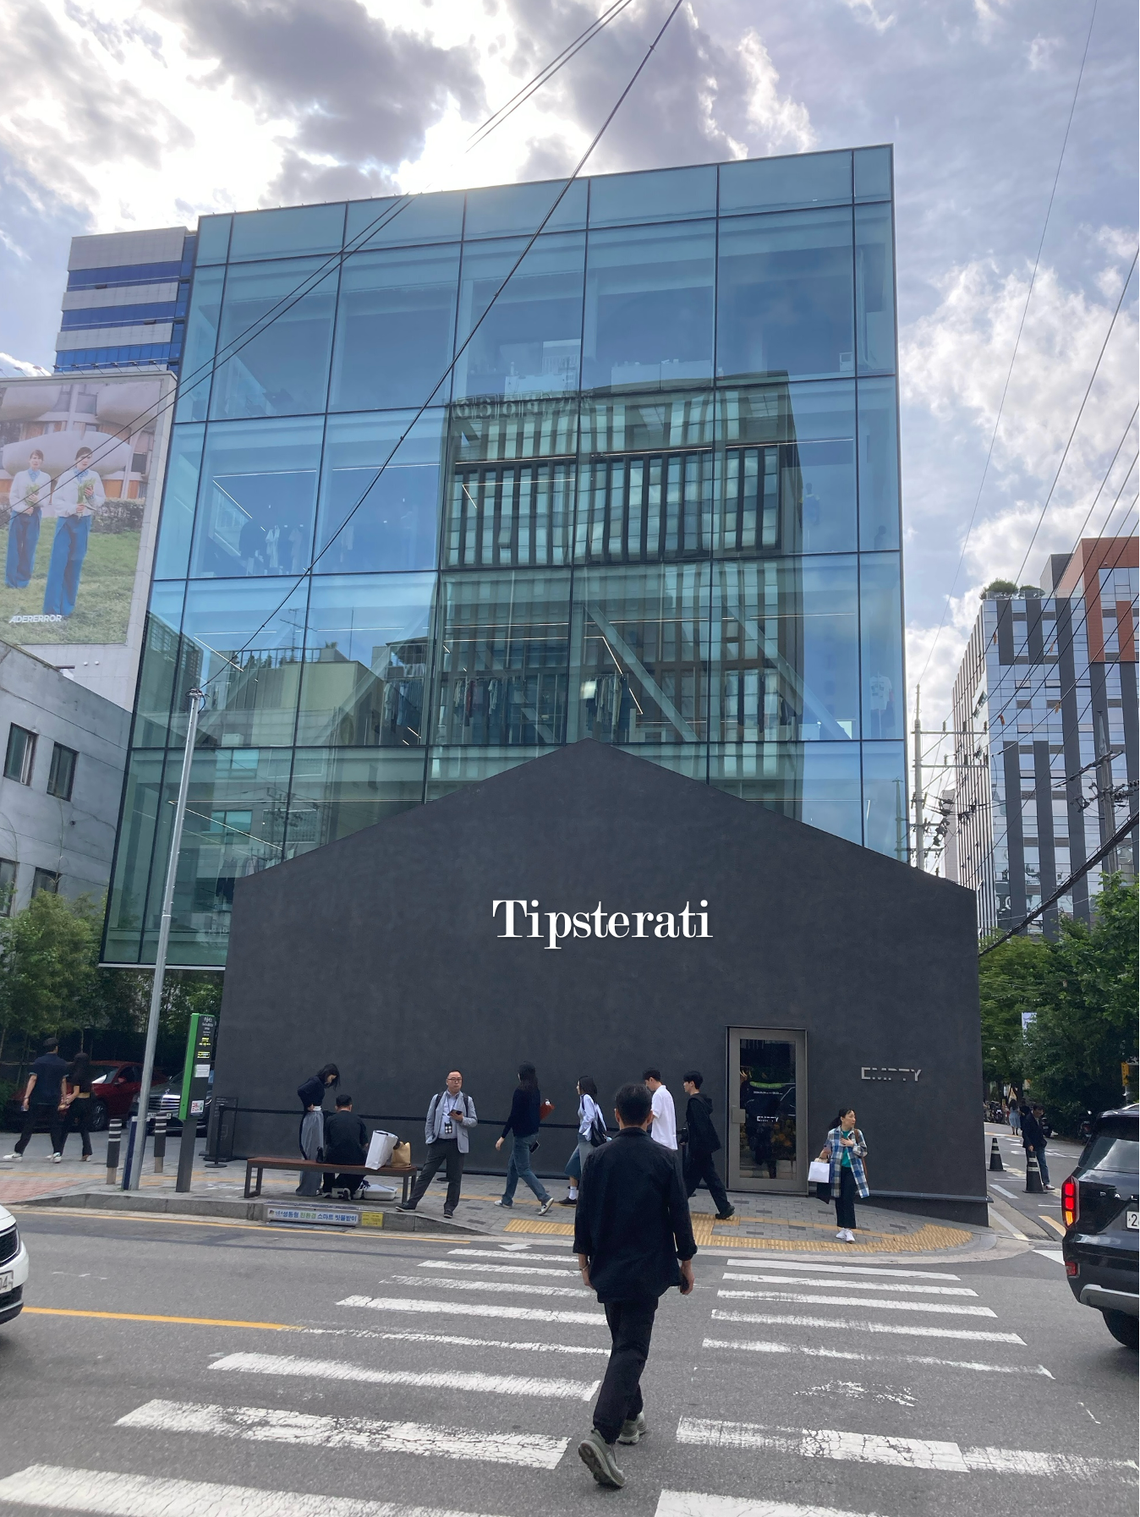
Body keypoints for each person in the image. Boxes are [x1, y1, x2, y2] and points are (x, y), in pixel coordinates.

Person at [573, 1081, 697, 1490]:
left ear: (615, 1114)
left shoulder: (599, 1158)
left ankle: (631, 1418)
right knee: (631, 1348)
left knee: (621, 1344)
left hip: (607, 1265)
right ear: (649, 1117)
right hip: (646, 1269)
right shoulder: (663, 1159)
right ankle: (602, 1434)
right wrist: (687, 1260)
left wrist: (583, 1258)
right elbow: (679, 1211)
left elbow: (585, 1210)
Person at [400, 1070, 477, 1218]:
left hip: (456, 1143)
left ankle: (449, 1208)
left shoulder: (467, 1100)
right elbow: (430, 1119)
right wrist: (430, 1138)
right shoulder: (438, 1098)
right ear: (446, 1081)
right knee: (426, 1173)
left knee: (455, 1178)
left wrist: (462, 1119)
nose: (456, 1082)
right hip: (439, 1142)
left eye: (459, 1079)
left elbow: (474, 1121)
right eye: (453, 1079)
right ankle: (412, 1202)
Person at [43, 445, 104, 618]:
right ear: (76, 459)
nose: (85, 460)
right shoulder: (66, 476)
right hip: (66, 522)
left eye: (88, 457)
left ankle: (66, 609)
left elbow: (99, 501)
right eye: (82, 457)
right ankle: (51, 610)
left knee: (75, 564)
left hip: (83, 522)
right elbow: (56, 500)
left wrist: (91, 496)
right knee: (58, 563)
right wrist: (71, 507)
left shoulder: (94, 477)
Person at [494, 1062, 554, 1214]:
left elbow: (513, 1116)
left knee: (523, 1169)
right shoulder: (535, 1091)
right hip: (533, 1133)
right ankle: (507, 1199)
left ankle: (544, 1198)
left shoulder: (520, 1092)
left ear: (522, 1075)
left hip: (521, 1136)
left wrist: (502, 1136)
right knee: (513, 1166)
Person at [4, 1037, 69, 1162]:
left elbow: (33, 1079)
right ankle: (57, 1153)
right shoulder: (62, 1063)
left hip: (38, 1098)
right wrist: (64, 1098)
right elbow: (63, 1081)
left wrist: (26, 1096)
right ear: (56, 1048)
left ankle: (18, 1152)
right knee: (54, 1126)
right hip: (53, 1098)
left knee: (29, 1125)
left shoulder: (39, 1062)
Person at [679, 1070, 734, 1220]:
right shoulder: (702, 1101)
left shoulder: (694, 1103)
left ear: (691, 1083)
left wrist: (694, 1146)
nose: (683, 1085)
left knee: (691, 1180)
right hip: (703, 1148)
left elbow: (699, 1126)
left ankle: (676, 1207)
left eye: (685, 1082)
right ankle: (724, 1207)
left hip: (699, 1149)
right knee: (707, 1178)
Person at [818, 1106, 868, 1243]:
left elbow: (864, 1152)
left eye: (854, 1116)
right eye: (850, 1116)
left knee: (848, 1198)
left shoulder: (857, 1134)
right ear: (842, 1119)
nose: (853, 1119)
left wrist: (852, 1145)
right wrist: (824, 1153)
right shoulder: (833, 1133)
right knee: (838, 1197)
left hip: (853, 1170)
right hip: (837, 1170)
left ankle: (849, 1230)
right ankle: (842, 1228)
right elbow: (826, 1148)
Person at [6, 448, 49, 589]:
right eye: (33, 458)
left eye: (38, 458)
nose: (36, 460)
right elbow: (13, 496)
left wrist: (37, 500)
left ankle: (23, 580)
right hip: (19, 513)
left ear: (42, 461)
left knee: (29, 547)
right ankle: (11, 581)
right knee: (14, 546)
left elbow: (46, 500)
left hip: (34, 514)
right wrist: (23, 508)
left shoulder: (46, 478)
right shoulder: (20, 476)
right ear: (29, 460)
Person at [295, 1063, 339, 1196]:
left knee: (314, 1150)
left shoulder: (316, 1082)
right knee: (313, 1151)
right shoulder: (316, 1082)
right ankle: (309, 1187)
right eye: (332, 1077)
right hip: (314, 1116)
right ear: (328, 1074)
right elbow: (301, 1090)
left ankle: (311, 1186)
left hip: (315, 1116)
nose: (331, 1080)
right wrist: (308, 1105)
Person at [560, 1077, 605, 1205]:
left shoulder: (586, 1098)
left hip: (586, 1138)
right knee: (572, 1165)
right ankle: (573, 1196)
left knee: (586, 1168)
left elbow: (590, 1116)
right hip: (583, 1139)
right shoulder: (589, 1099)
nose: (576, 1087)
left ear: (583, 1087)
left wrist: (583, 1129)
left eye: (578, 1085)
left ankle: (589, 1198)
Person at [321, 1094, 368, 1199]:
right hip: (355, 1157)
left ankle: (328, 1188)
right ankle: (349, 1187)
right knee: (365, 1163)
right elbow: (365, 1143)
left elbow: (328, 1141)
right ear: (350, 1106)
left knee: (327, 1157)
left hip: (335, 1157)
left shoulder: (330, 1119)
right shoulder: (358, 1120)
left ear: (336, 1107)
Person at [60, 1050, 95, 1160]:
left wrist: (65, 1102)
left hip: (78, 1102)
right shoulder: (89, 1074)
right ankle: (87, 1152)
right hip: (87, 1102)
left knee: (65, 1128)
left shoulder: (76, 1076)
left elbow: (75, 1093)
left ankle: (58, 1151)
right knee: (84, 1128)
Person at [642, 1068, 677, 1151]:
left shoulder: (658, 1095)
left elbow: (652, 1115)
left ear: (651, 1079)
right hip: (669, 1141)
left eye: (647, 1083)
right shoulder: (667, 1094)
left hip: (660, 1141)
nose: (647, 1086)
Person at [1021, 1103, 1052, 1190]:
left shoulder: (1040, 1119)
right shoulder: (1028, 1119)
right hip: (1031, 1144)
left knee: (1043, 1163)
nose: (1040, 1114)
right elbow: (1025, 1133)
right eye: (1038, 1112)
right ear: (1034, 1111)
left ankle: (1046, 1182)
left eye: (1041, 1113)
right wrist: (1029, 1144)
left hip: (1040, 1144)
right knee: (1031, 1164)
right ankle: (1031, 1181)